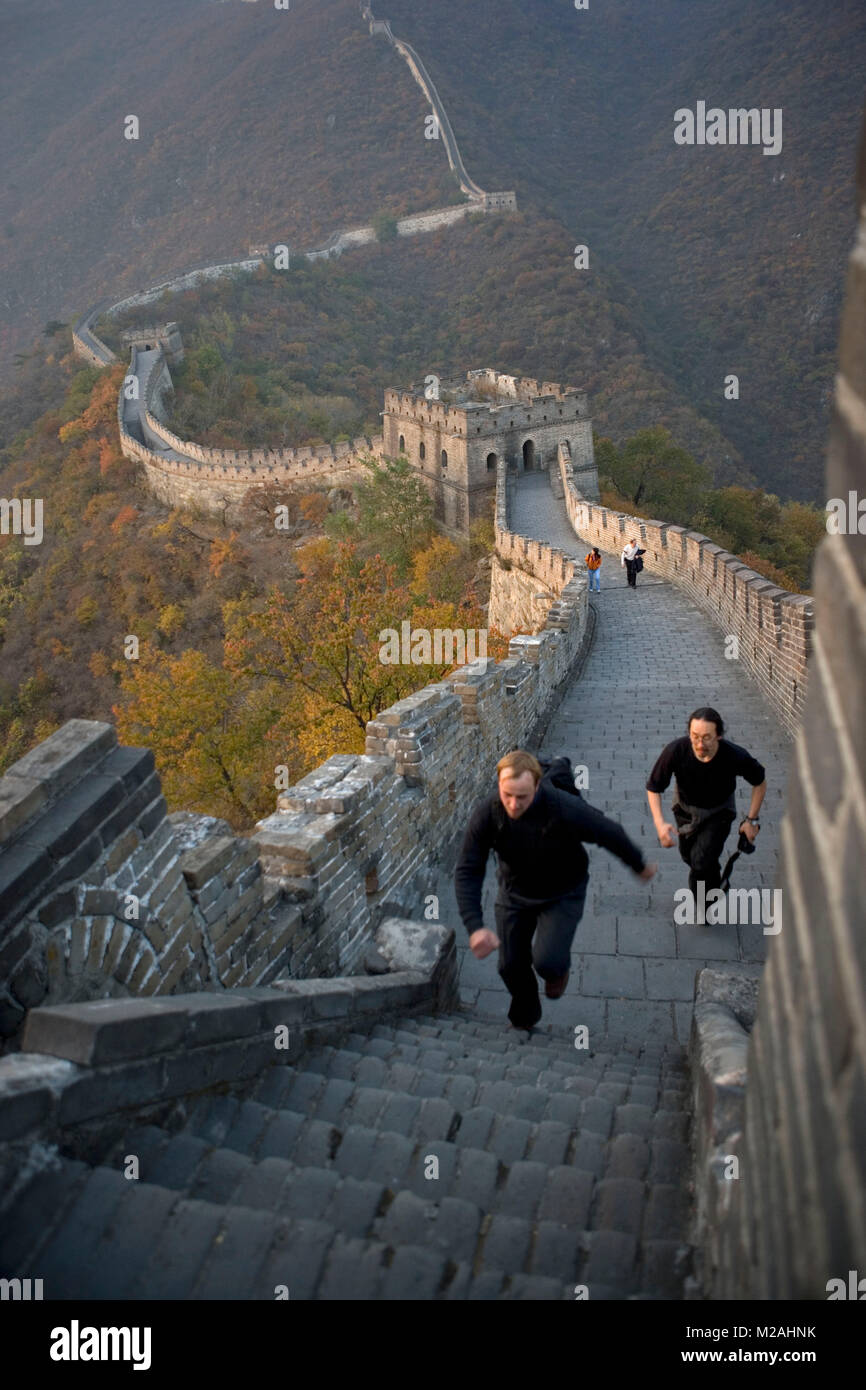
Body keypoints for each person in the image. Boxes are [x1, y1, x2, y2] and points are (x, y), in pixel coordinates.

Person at [454, 750, 657, 1031]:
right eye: (507, 795)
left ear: (537, 786)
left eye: (522, 796)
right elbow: (468, 869)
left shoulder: (563, 808)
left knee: (548, 962)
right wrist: (475, 926)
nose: (513, 804)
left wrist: (638, 864)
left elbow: (608, 832)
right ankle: (526, 1014)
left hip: (563, 891)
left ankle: (557, 971)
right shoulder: (489, 813)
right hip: (515, 893)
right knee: (509, 966)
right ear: (499, 786)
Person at [646, 707, 766, 915]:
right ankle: (715, 880)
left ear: (718, 735)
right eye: (695, 737)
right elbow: (653, 788)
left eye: (707, 738)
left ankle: (705, 905)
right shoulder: (676, 751)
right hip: (685, 810)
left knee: (701, 862)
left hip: (719, 812)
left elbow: (760, 782)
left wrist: (751, 820)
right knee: (689, 857)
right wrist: (659, 822)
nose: (700, 744)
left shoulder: (733, 755)